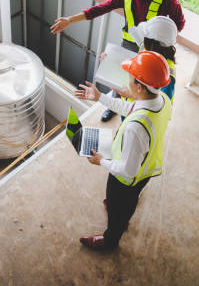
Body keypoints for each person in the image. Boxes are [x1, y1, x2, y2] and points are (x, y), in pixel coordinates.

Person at [51, 0, 185, 122]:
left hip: (152, 48)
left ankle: (133, 111)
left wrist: (161, 42)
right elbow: (101, 8)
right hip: (129, 45)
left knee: (145, 84)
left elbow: (179, 24)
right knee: (121, 77)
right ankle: (114, 105)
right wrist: (70, 20)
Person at [74, 51, 172, 250]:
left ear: (138, 86)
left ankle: (110, 240)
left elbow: (127, 171)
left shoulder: (135, 128)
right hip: (147, 168)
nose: (127, 81)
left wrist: (100, 160)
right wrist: (100, 97)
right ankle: (118, 212)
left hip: (127, 179)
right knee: (126, 201)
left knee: (121, 202)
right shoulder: (161, 99)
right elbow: (131, 108)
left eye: (130, 77)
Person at [119, 15, 178, 103]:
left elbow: (161, 103)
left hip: (140, 112)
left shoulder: (167, 74)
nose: (142, 40)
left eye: (144, 37)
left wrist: (131, 94)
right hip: (129, 104)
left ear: (152, 43)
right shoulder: (146, 49)